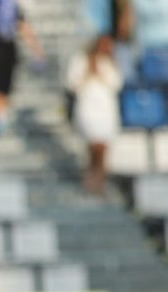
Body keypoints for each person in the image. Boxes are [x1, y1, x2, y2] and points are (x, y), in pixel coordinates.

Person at [66, 35, 123, 195]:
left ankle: (99, 182)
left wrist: (100, 73)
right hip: (88, 109)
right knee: (93, 146)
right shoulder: (81, 60)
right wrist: (88, 71)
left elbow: (116, 84)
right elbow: (72, 84)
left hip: (106, 110)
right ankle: (92, 180)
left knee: (103, 148)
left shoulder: (111, 63)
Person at [0, 0, 45, 135]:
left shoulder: (14, 7)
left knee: (6, 88)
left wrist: (37, 50)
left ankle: (1, 118)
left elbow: (23, 26)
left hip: (9, 49)